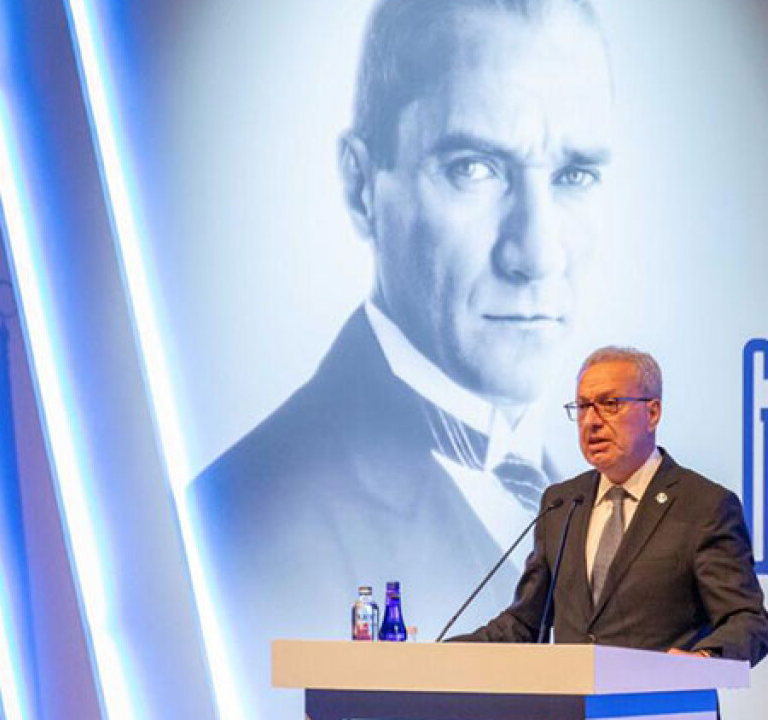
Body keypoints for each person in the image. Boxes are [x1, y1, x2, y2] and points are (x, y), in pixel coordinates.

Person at [185, 0, 613, 717]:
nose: (537, 254)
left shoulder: (600, 502)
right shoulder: (240, 527)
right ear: (362, 186)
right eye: (474, 167)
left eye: (574, 175)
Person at [454, 347, 768, 669]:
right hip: (573, 697)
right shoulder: (562, 503)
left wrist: (703, 661)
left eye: (610, 404)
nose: (591, 421)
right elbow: (524, 624)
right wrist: (442, 656)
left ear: (652, 413)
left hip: (662, 697)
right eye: (583, 406)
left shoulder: (703, 505)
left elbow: (747, 620)